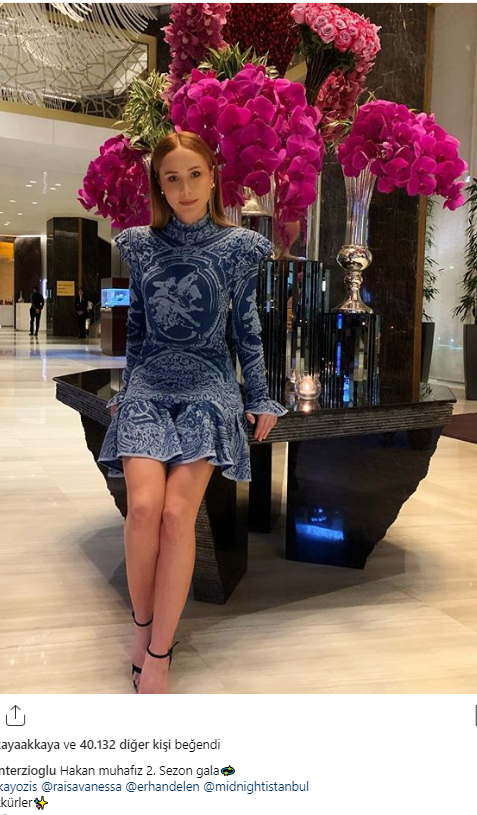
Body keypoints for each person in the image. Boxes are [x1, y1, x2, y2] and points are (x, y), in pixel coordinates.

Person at [98, 131, 287, 695]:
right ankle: (142, 628)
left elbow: (247, 329)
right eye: (172, 178)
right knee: (143, 509)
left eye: (195, 175)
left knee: (178, 515)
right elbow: (137, 327)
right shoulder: (138, 245)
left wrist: (259, 395)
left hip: (209, 388)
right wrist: (128, 386)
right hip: (149, 386)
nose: (185, 188)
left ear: (213, 176)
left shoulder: (239, 247)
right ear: (159, 185)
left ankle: (160, 652)